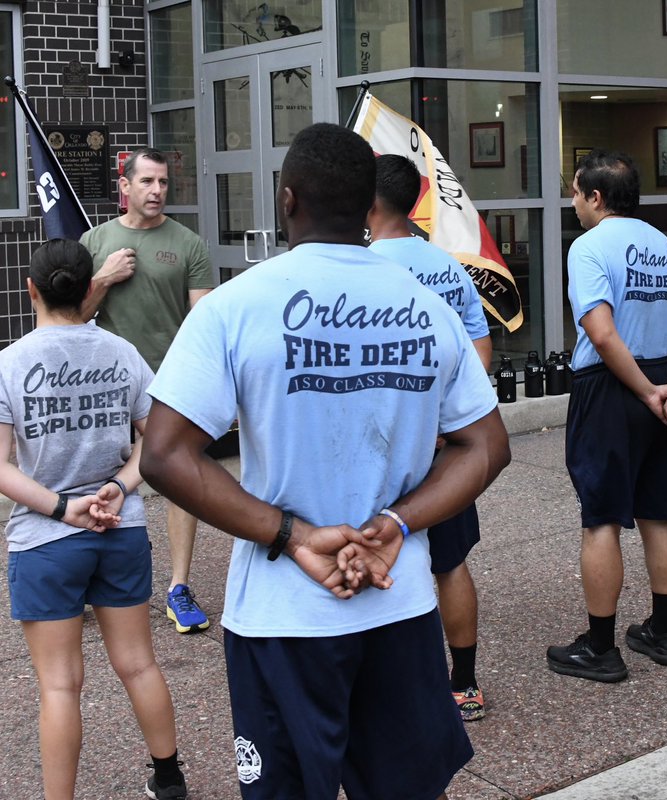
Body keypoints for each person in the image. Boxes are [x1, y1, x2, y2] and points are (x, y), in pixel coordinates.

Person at [139, 123, 511, 799]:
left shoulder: (235, 308)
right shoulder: (428, 308)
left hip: (284, 617)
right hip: (398, 602)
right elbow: (487, 445)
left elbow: (163, 455)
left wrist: (295, 535)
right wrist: (396, 526)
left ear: (287, 201)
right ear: (370, 206)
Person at [0, 239, 188, 800]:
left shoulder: (10, 363)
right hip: (120, 527)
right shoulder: (122, 352)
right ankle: (170, 779)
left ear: (31, 290)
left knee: (60, 685)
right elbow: (154, 443)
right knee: (138, 664)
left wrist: (61, 507)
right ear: (90, 290)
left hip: (44, 539)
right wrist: (118, 486)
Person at [547, 149, 667, 683]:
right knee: (661, 511)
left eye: (576, 193)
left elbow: (601, 332)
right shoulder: (666, 245)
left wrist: (643, 391)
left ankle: (601, 646)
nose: (574, 203)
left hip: (613, 388)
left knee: (602, 517)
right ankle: (663, 631)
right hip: (663, 381)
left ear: (595, 196)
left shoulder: (588, 247)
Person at [366, 153, 493, 721]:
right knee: (450, 564)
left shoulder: (365, 267)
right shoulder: (446, 264)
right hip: (447, 448)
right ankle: (464, 685)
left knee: (379, 560)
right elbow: (479, 348)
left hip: (387, 447)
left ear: (367, 203)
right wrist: (450, 421)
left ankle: (395, 690)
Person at [80, 147, 216, 634]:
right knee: (102, 478)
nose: (157, 191)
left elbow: (202, 321)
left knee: (176, 479)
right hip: (106, 385)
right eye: (147, 182)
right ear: (125, 186)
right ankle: (97, 578)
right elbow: (71, 316)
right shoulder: (95, 241)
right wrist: (104, 277)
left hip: (170, 381)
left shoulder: (188, 244)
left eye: (163, 183)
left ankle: (178, 587)